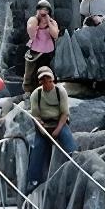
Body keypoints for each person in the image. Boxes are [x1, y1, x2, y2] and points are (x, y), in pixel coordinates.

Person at [24, 67, 78, 199]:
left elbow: (65, 114)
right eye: (43, 79)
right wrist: (42, 130)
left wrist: (57, 131)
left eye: (48, 78)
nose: (46, 82)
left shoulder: (61, 92)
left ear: (52, 79)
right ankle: (33, 180)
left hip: (59, 122)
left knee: (70, 145)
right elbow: (35, 116)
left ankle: (76, 170)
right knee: (38, 149)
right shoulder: (36, 95)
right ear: (40, 81)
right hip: (43, 125)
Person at [24, 0, 60, 92]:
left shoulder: (52, 22)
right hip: (35, 52)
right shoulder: (33, 20)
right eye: (41, 9)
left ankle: (50, 90)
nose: (43, 12)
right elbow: (31, 33)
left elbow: (55, 34)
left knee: (47, 73)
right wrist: (37, 23)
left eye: (46, 10)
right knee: (30, 73)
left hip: (48, 52)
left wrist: (48, 22)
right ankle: (28, 91)